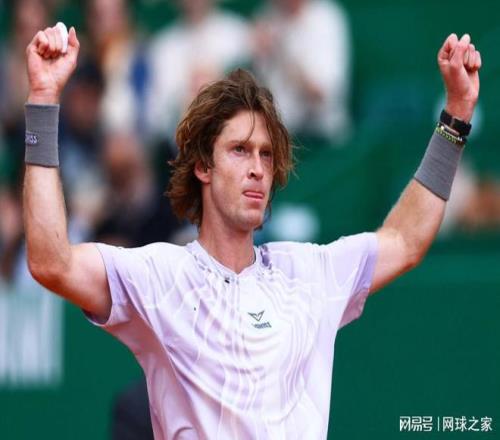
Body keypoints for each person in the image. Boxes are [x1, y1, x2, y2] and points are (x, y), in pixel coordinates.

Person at [23, 24, 481, 439]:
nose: (258, 168)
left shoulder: (310, 274)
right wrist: (43, 100)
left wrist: (456, 117)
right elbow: (51, 263)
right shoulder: (159, 276)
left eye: (266, 154)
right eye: (240, 150)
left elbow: (405, 241)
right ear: (203, 166)